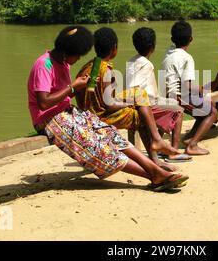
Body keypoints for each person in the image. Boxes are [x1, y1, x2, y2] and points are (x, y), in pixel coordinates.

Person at [27, 25, 188, 192]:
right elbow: (43, 103)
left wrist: (78, 88)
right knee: (97, 147)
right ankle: (154, 174)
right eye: (78, 55)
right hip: (48, 119)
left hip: (68, 112)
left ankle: (156, 168)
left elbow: (65, 95)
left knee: (111, 134)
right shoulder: (44, 65)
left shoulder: (63, 62)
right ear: (68, 51)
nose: (78, 59)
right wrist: (74, 87)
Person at [75, 27, 181, 172]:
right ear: (114, 49)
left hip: (89, 114)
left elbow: (84, 98)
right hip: (101, 117)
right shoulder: (106, 71)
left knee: (139, 95)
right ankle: (155, 153)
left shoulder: (88, 67)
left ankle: (156, 143)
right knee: (139, 114)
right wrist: (128, 103)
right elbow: (109, 105)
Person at [126, 27, 192, 163]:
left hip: (136, 102)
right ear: (153, 47)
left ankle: (158, 150)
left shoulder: (131, 61)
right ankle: (172, 151)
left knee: (167, 104)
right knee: (178, 110)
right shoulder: (147, 65)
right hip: (144, 104)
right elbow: (138, 89)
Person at [161, 21, 218, 155]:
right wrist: (204, 91)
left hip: (165, 93)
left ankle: (190, 137)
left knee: (204, 105)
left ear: (172, 39)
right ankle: (192, 145)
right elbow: (188, 85)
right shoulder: (187, 58)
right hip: (177, 97)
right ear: (191, 39)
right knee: (212, 112)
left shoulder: (168, 52)